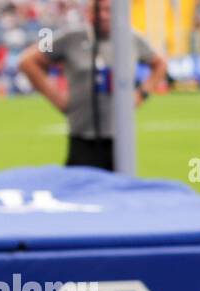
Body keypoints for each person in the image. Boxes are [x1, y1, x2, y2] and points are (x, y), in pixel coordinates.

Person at [18, 0, 167, 171]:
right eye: (97, 10)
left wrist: (141, 94)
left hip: (120, 139)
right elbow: (28, 61)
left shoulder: (131, 38)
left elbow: (160, 64)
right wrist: (57, 97)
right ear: (88, 12)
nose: (102, 15)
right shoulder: (70, 37)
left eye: (108, 10)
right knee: (80, 193)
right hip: (82, 136)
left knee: (120, 192)